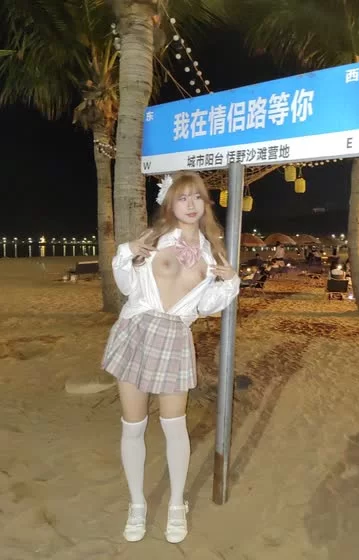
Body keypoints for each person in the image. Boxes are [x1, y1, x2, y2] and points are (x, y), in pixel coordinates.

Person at [102, 172, 240, 545]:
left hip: (175, 338)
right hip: (136, 330)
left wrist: (229, 281)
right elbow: (127, 286)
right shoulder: (154, 239)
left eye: (197, 197)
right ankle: (137, 504)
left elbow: (207, 306)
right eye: (182, 198)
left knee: (174, 425)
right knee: (133, 425)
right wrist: (127, 253)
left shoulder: (213, 252)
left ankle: (177, 504)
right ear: (170, 204)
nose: (190, 204)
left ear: (205, 204)